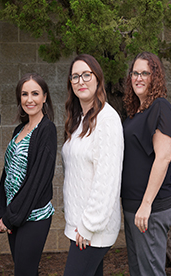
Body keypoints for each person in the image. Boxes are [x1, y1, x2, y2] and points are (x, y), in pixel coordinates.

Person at [62, 54, 124, 276]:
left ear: (98, 79)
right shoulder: (78, 119)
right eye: (75, 76)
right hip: (79, 226)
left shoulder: (107, 119)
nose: (80, 81)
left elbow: (107, 179)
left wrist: (88, 225)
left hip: (92, 229)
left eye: (86, 75)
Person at [0, 73, 57, 276]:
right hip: (15, 214)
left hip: (33, 216)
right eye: (24, 94)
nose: (29, 99)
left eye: (35, 93)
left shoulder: (47, 129)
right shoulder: (19, 130)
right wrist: (1, 213)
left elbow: (38, 180)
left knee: (25, 272)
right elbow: (7, 174)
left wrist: (11, 217)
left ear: (45, 97)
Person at [121, 51, 171, 276]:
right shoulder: (135, 113)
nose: (139, 78)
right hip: (133, 207)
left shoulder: (160, 107)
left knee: (150, 272)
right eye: (135, 73)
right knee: (138, 271)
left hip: (150, 209)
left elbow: (163, 158)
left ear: (156, 77)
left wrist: (146, 204)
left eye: (145, 73)